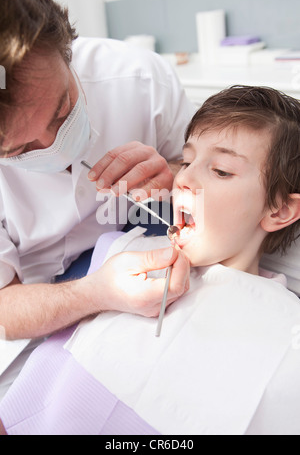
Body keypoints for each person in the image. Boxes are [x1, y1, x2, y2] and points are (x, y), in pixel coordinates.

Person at [0, 85, 299, 435]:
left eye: (220, 171)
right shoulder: (119, 255)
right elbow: (31, 397)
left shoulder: (287, 335)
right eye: (186, 161)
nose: (183, 178)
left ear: (280, 210)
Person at [0, 0, 193, 373]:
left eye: (62, 111)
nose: (54, 145)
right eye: (18, 150)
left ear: (66, 48)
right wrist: (94, 293)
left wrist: (174, 176)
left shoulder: (141, 79)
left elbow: (205, 169)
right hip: (35, 317)